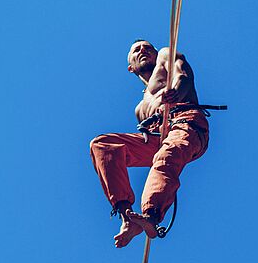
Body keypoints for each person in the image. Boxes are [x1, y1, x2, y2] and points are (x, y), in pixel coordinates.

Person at [89, 39, 210, 248]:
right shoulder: (140, 108)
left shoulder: (165, 55)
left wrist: (176, 93)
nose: (143, 51)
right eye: (137, 50)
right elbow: (148, 139)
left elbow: (184, 76)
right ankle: (127, 216)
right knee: (102, 145)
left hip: (186, 122)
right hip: (158, 138)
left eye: (147, 48)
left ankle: (151, 215)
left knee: (166, 156)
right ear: (131, 67)